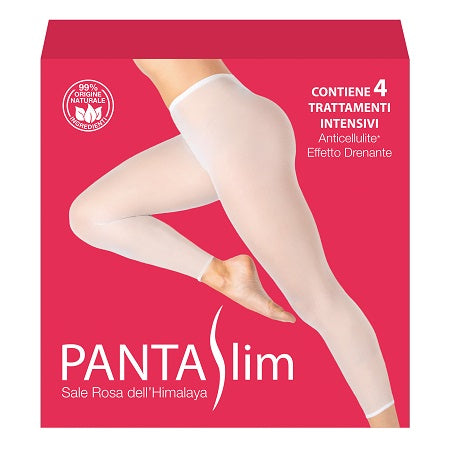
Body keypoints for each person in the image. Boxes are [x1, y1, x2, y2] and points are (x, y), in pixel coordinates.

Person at [69, 59, 399, 427]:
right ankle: (223, 275)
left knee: (318, 300)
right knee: (89, 215)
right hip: (206, 133)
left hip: (233, 130)